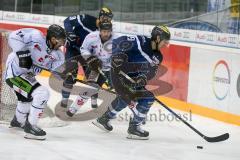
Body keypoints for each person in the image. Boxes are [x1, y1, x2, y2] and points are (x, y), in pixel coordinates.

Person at [93, 25, 171, 140]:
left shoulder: (158, 56)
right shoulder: (140, 41)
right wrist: (118, 56)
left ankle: (103, 119)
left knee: (125, 99)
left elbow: (152, 72)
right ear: (158, 38)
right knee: (147, 98)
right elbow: (118, 42)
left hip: (132, 79)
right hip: (118, 74)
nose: (165, 45)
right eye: (165, 41)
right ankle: (134, 128)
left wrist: (143, 78)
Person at [5, 24, 66, 140]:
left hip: (26, 76)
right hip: (14, 73)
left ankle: (18, 122)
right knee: (42, 93)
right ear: (53, 38)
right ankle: (30, 127)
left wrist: (66, 76)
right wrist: (23, 54)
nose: (63, 43)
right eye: (61, 40)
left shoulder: (58, 55)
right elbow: (13, 36)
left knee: (26, 99)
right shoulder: (36, 36)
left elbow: (57, 71)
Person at [61, 7, 114, 109]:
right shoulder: (86, 19)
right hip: (73, 50)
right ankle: (64, 103)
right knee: (70, 75)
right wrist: (69, 32)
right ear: (100, 16)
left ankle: (94, 104)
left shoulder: (105, 31)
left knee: (92, 80)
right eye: (105, 18)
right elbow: (67, 21)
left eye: (109, 19)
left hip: (87, 55)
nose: (106, 21)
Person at [66, 20, 117, 117]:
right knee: (89, 88)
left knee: (115, 90)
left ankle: (111, 112)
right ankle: (73, 109)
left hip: (110, 68)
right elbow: (83, 49)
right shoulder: (91, 37)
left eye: (108, 31)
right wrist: (90, 58)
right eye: (103, 31)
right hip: (94, 66)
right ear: (99, 30)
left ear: (111, 31)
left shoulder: (117, 39)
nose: (106, 34)